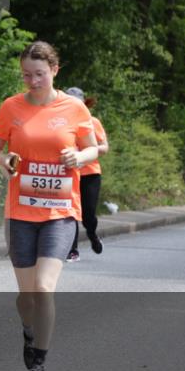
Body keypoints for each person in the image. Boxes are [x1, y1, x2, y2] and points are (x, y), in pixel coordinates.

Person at [0, 41, 98, 371]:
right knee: (27, 296)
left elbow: (93, 147)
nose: (32, 81)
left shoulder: (74, 108)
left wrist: (78, 159)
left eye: (39, 74)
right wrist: (3, 161)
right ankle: (29, 330)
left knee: (45, 288)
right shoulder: (11, 107)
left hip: (60, 211)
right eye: (26, 75)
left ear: (54, 70)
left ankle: (38, 365)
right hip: (20, 211)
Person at [64, 87, 109, 261]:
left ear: (83, 104)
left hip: (89, 173)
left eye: (77, 102)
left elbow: (104, 148)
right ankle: (72, 249)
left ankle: (92, 234)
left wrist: (86, 150)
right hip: (67, 173)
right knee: (69, 211)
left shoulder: (92, 122)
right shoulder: (59, 122)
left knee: (88, 213)